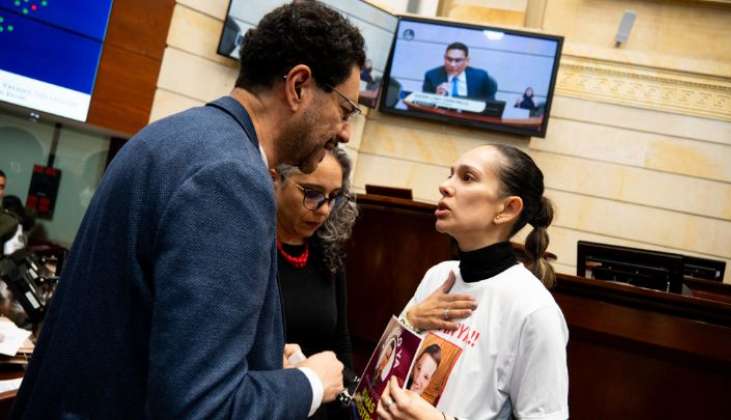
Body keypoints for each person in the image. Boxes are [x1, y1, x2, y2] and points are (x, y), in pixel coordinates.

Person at [12, 2, 366, 419]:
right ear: (299, 86)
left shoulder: (172, 136)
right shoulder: (231, 177)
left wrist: (265, 365)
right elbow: (202, 407)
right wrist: (309, 382)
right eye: (344, 110)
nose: (344, 131)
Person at [376, 144, 568, 420]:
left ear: (507, 209)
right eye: (450, 174)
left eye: (467, 178)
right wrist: (409, 320)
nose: (444, 186)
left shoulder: (535, 311)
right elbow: (377, 380)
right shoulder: (439, 275)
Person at [273, 147, 358, 420]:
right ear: (276, 181)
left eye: (333, 197)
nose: (324, 210)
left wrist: (354, 398)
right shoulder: (249, 250)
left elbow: (340, 343)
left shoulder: (327, 255)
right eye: (312, 194)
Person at [422, 42, 497, 101]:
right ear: (444, 58)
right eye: (449, 59)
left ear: (467, 61)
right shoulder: (432, 75)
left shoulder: (481, 77)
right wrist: (435, 98)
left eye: (457, 60)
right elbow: (423, 106)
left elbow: (490, 105)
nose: (452, 64)